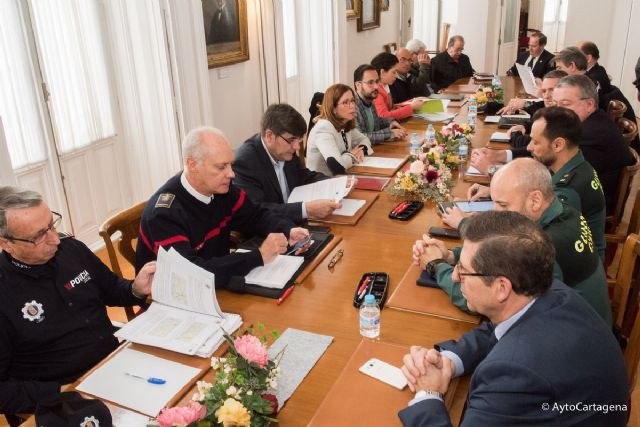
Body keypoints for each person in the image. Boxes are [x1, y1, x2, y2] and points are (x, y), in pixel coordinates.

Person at [399, 211, 628, 426]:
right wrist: (450, 361)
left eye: (463, 270)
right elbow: (496, 329)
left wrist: (428, 393)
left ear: (501, 288)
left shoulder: (513, 374)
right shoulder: (552, 291)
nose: (456, 276)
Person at [0, 187, 157, 421]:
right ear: (6, 243)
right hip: (67, 397)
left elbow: (112, 289)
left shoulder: (71, 250)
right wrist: (56, 392)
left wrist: (135, 288)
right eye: (39, 236)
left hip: (116, 365)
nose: (54, 239)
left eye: (51, 225)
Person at [417, 158, 611, 324]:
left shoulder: (544, 245)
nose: (495, 212)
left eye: (503, 204)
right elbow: (500, 250)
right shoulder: (565, 212)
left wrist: (437, 266)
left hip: (565, 346)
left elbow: (487, 299)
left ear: (535, 200)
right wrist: (452, 256)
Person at [136, 127, 309, 289]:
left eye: (230, 164)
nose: (231, 174)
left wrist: (288, 229)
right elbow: (191, 274)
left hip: (218, 283)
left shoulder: (222, 190)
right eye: (221, 167)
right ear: (192, 164)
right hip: (177, 299)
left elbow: (255, 215)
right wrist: (258, 256)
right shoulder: (164, 214)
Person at [472, 75, 635, 211]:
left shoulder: (589, 133)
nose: (556, 112)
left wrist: (492, 172)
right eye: (555, 104)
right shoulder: (584, 123)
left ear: (589, 104)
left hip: (574, 212)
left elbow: (543, 180)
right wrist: (500, 155)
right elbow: (541, 152)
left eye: (565, 105)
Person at [469, 107, 606, 260]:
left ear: (558, 145)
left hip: (563, 267)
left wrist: (465, 224)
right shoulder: (575, 165)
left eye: (535, 142)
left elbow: (524, 238)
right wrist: (497, 192)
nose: (529, 147)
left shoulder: (568, 190)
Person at [233, 104, 340, 223]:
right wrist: (305, 209)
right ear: (269, 136)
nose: (296, 146)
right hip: (268, 233)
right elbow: (257, 210)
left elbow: (303, 176)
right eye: (291, 140)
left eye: (298, 140)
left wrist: (335, 183)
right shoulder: (245, 162)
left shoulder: (284, 150)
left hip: (294, 224)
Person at [306, 83, 374, 176]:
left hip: (343, 177)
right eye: (345, 102)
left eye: (352, 101)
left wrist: (362, 150)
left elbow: (364, 139)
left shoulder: (344, 122)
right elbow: (337, 166)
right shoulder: (323, 129)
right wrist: (352, 155)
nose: (352, 106)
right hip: (323, 183)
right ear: (333, 108)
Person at [353, 64, 408, 144]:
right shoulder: (352, 106)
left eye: (376, 81)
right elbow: (360, 138)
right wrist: (390, 133)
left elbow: (376, 125)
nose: (376, 86)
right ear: (358, 85)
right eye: (370, 82)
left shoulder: (370, 101)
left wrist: (390, 122)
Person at [371, 52, 427, 120]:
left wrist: (413, 101)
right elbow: (384, 116)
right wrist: (411, 107)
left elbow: (390, 108)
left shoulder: (385, 86)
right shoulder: (376, 92)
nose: (396, 75)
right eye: (393, 72)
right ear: (382, 72)